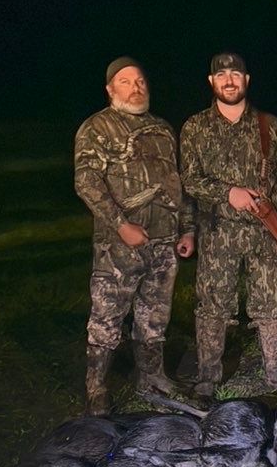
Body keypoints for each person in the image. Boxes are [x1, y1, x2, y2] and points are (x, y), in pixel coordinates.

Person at [73, 57, 195, 414]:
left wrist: (186, 229)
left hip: (163, 243)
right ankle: (97, 387)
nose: (136, 87)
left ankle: (152, 377)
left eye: (140, 81)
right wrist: (121, 225)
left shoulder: (161, 129)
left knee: (155, 315)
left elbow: (178, 184)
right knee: (108, 315)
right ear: (111, 89)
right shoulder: (97, 127)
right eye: (126, 82)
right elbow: (86, 182)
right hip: (119, 245)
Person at [180, 52, 277, 399]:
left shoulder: (269, 124)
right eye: (222, 76)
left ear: (247, 80)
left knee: (271, 304)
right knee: (212, 307)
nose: (230, 80)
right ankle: (208, 377)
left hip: (265, 233)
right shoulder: (195, 127)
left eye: (236, 74)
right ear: (212, 82)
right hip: (217, 231)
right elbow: (188, 180)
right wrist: (227, 192)